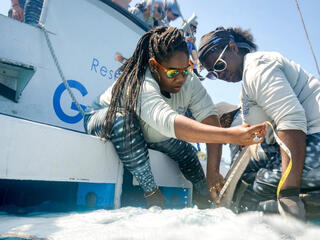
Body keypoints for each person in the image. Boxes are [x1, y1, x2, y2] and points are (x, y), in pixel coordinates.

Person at [84, 26, 265, 209]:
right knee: (123, 121)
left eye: (185, 71)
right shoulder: (141, 81)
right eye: (172, 73)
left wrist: (213, 171)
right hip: (105, 119)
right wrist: (230, 135)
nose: (180, 78)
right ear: (154, 66)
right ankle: (152, 193)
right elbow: (167, 120)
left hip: (148, 131)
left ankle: (207, 200)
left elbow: (209, 117)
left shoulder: (188, 80)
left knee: (187, 153)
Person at [199, 26, 320, 219]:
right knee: (248, 177)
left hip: (315, 138)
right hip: (305, 138)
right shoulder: (246, 84)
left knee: (258, 187)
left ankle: (307, 208)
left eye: (219, 66)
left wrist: (289, 192)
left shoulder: (258, 68)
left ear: (233, 48)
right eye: (213, 73)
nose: (219, 75)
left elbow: (291, 119)